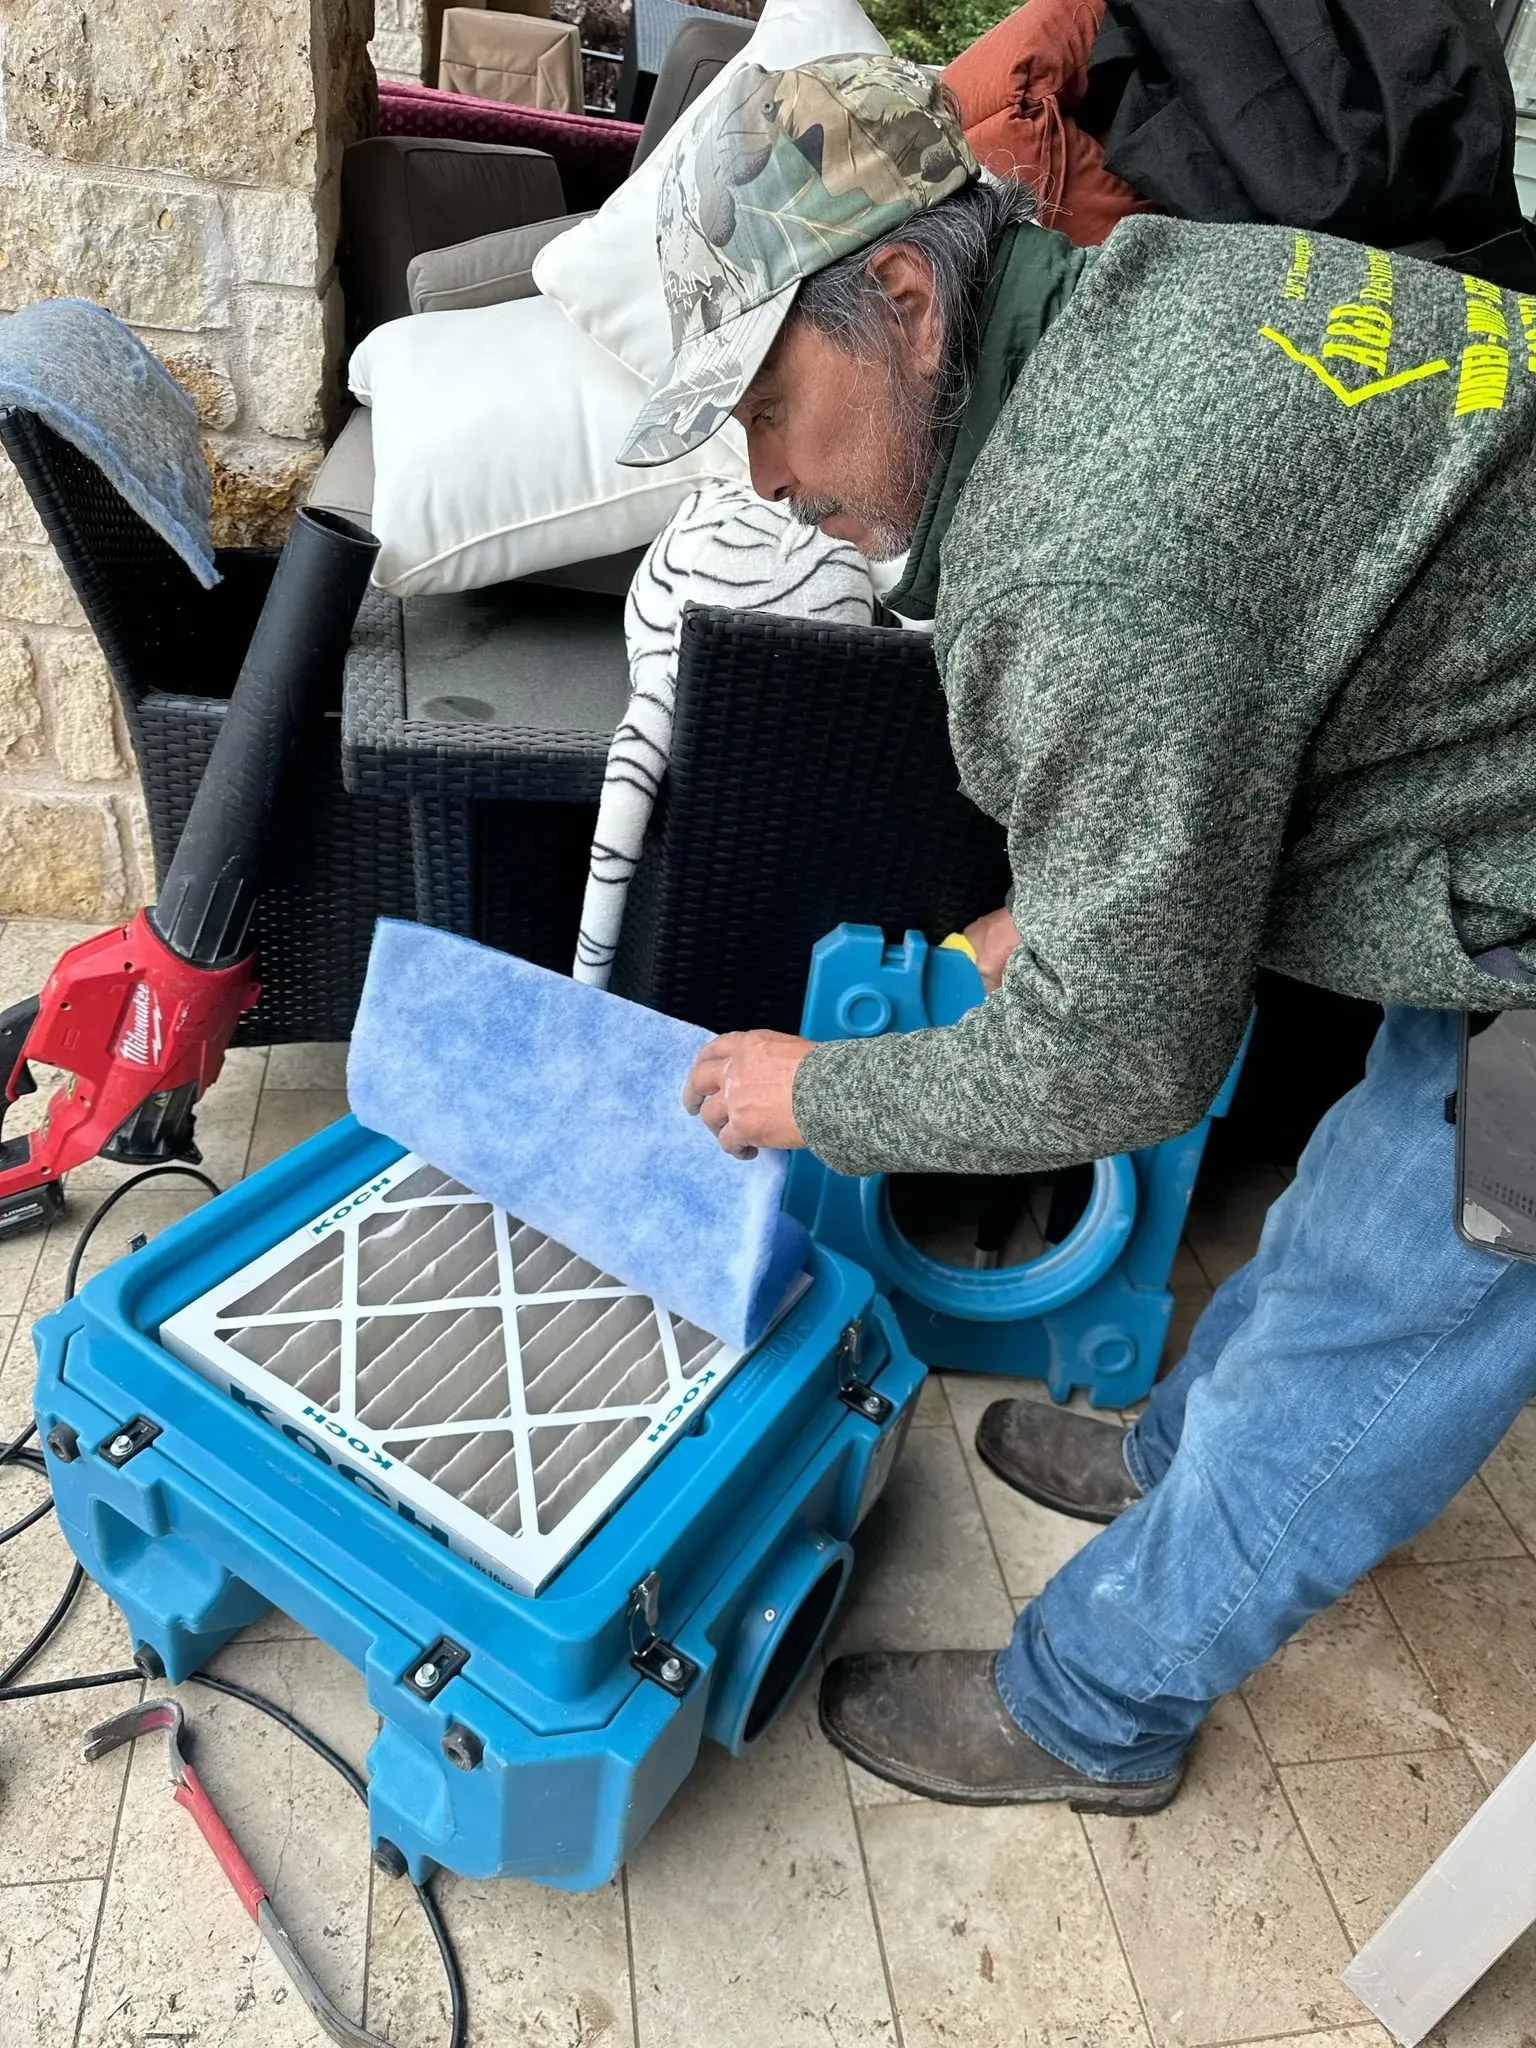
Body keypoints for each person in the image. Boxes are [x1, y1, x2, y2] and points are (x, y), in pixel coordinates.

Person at [618, 55, 1536, 1812]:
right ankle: (1172, 1449)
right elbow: (1280, 645)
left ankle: (1094, 1709)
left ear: (903, 296)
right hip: (1497, 811)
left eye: (766, 408)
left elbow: (1128, 1062)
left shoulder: (1090, 556)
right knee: (1365, 1186)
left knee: (1384, 1335)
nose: (762, 476)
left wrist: (823, 1095)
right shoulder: (1150, 295)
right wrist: (1078, 891)